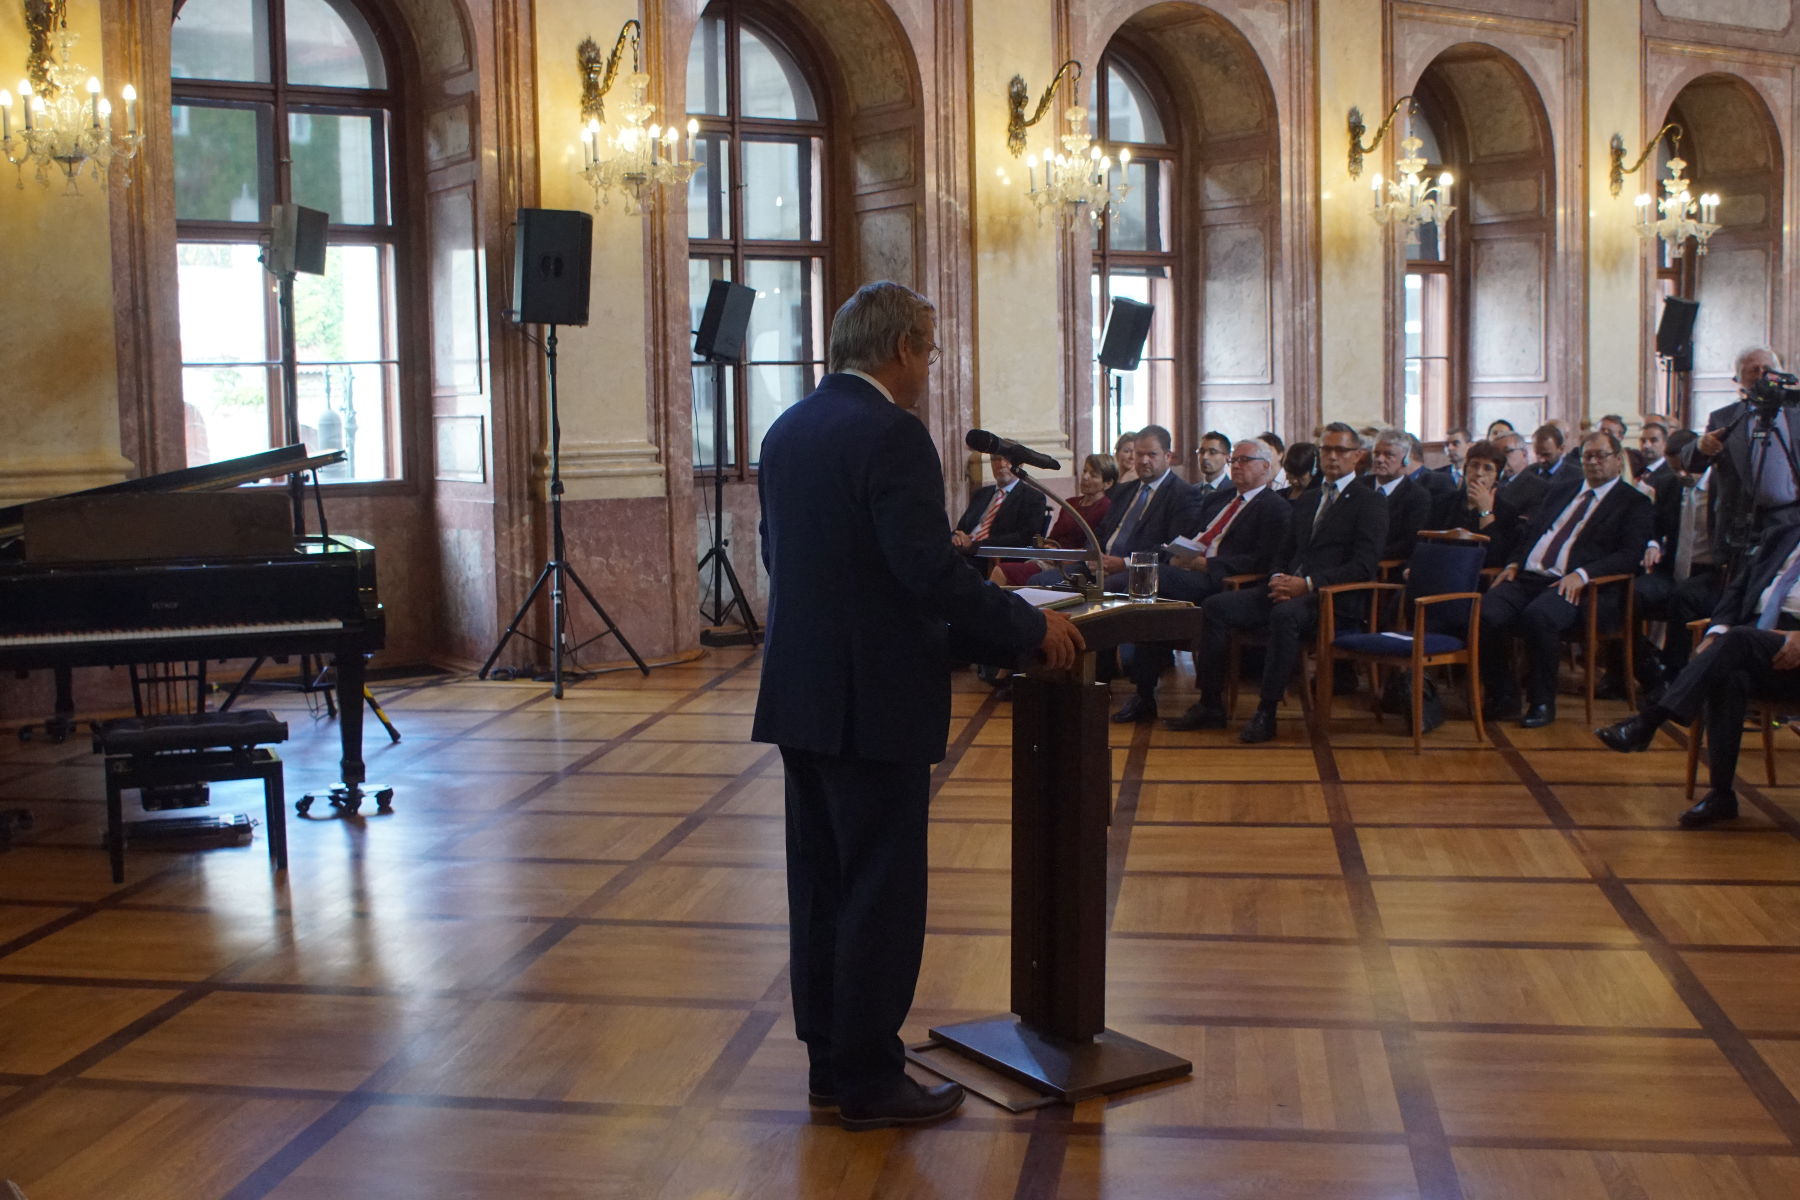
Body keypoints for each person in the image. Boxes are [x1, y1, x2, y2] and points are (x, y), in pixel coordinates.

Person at [754, 280, 1083, 1130]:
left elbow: (778, 554)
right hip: (875, 699)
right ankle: (870, 1080)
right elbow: (925, 571)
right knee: (880, 892)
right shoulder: (892, 433)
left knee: (821, 887)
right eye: (929, 352)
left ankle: (831, 1066)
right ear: (901, 348)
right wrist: (1024, 628)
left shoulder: (788, 429)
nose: (929, 368)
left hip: (801, 692)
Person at [1168, 423, 1388, 741]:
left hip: (1332, 598)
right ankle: (1210, 703)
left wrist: (1307, 584)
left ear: (1357, 456)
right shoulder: (1309, 499)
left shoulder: (1370, 502)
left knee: (1285, 615)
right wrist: (1276, 578)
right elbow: (1283, 552)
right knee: (1215, 606)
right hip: (1288, 588)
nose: (1332, 457)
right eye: (1326, 450)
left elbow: (1363, 566)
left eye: (1340, 450)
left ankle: (1266, 711)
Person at [1597, 515, 1800, 827]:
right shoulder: (1782, 536)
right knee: (1729, 675)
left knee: (1738, 641)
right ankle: (1722, 794)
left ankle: (1649, 721)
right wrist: (1716, 631)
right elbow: (1737, 590)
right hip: (1756, 643)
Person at [1479, 431, 1654, 727]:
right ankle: (1503, 696)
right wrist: (1514, 562)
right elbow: (1532, 533)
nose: (1593, 462)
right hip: (1528, 576)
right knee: (1485, 612)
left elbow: (1629, 555)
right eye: (1587, 456)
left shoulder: (1633, 502)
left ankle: (1541, 702)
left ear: (1617, 459)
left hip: (1582, 587)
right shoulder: (1562, 490)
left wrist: (1583, 574)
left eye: (1601, 456)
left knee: (1539, 617)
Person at [1114, 439, 1291, 722]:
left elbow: (1262, 559)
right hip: (1187, 569)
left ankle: (1201, 702)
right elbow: (1192, 535)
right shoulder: (1219, 499)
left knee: (1149, 580)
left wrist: (1208, 564)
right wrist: (1177, 553)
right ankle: (1144, 693)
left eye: (1244, 460)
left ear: (1266, 467)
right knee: (1149, 593)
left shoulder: (1275, 507)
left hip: (1221, 578)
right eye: (1234, 460)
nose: (1236, 466)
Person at [1029, 424, 1190, 591]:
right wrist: (1093, 557)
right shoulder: (1123, 490)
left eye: (1152, 454)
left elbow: (1171, 548)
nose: (1143, 461)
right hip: (1098, 565)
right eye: (1139, 454)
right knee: (1039, 581)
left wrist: (1124, 563)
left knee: (1104, 588)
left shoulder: (1182, 494)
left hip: (1137, 570)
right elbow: (1100, 533)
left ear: (1168, 456)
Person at [1687, 346, 1795, 569]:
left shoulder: (1796, 414)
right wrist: (1700, 446)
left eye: (1767, 369)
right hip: (1742, 525)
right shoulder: (1723, 418)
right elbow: (1692, 463)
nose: (1761, 374)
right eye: (1753, 370)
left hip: (1791, 518)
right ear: (1739, 379)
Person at [994, 453, 1116, 586]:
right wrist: (1048, 548)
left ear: (1107, 483)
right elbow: (1053, 538)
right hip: (1051, 558)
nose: (1085, 477)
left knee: (1002, 571)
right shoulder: (1070, 503)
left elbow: (1095, 546)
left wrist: (1060, 556)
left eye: (1093, 475)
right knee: (1003, 571)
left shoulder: (1107, 507)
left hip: (1074, 565)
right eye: (1085, 471)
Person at [1429, 439, 1521, 566]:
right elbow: (1426, 541)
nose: (1479, 473)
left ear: (1497, 478)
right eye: (1474, 465)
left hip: (1479, 573)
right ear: (1465, 470)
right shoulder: (1442, 502)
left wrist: (1485, 512)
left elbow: (1496, 558)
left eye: (1487, 468)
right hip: (1440, 565)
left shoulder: (1507, 511)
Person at [952, 453, 1047, 564]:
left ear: (1020, 465)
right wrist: (955, 537)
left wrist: (974, 545)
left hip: (991, 559)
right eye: (996, 459)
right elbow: (961, 528)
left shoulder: (1033, 497)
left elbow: (1025, 537)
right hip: (961, 552)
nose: (1001, 464)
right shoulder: (981, 493)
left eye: (1007, 459)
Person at [1359, 427, 1433, 561]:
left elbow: (1408, 543)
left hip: (1387, 564)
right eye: (1376, 453)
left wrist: (1369, 556)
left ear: (1405, 460)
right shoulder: (1358, 487)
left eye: (1389, 455)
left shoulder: (1417, 496)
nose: (1380, 459)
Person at [1189, 430, 1234, 501]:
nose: (1205, 457)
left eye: (1212, 452)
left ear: (1227, 458)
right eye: (1201, 452)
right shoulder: (1190, 492)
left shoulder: (1234, 491)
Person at [1108, 431, 1139, 501]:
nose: (1132, 457)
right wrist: (1123, 481)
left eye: (1136, 453)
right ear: (1117, 453)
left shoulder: (1143, 483)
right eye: (1127, 451)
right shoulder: (1108, 478)